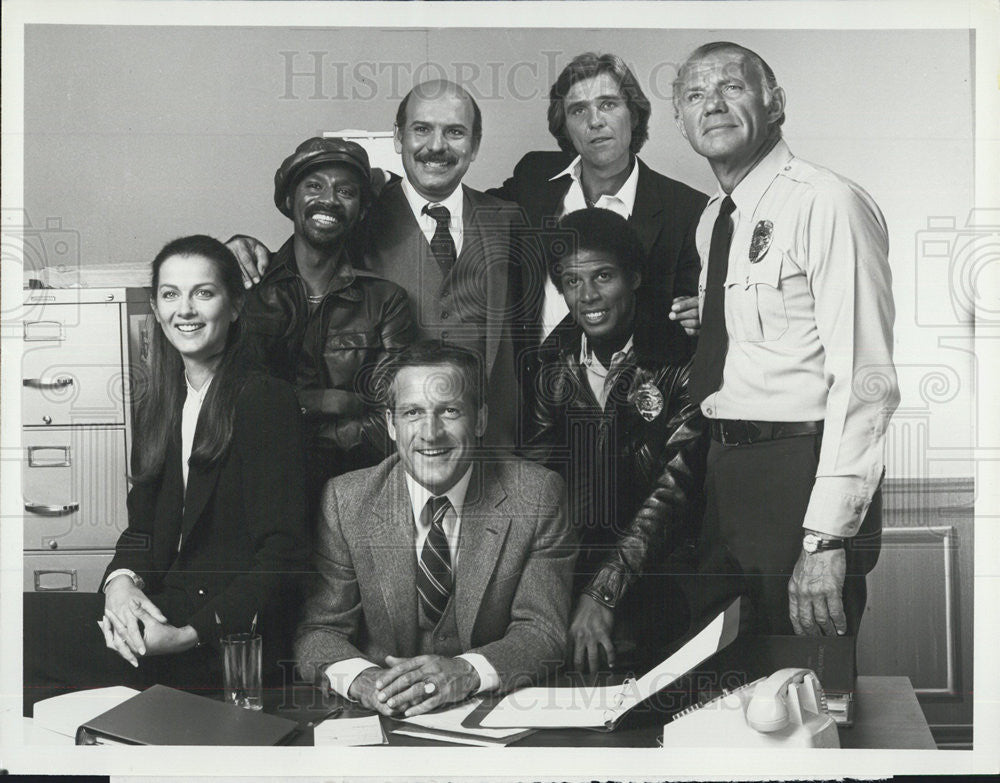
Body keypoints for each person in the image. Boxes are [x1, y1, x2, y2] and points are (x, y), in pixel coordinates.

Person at [672, 42, 899, 635]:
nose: (713, 105)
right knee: (722, 691)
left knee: (805, 697)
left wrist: (825, 536)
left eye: (732, 87)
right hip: (723, 469)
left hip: (798, 469)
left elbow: (866, 378)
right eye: (696, 94)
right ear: (681, 120)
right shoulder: (713, 220)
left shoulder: (826, 201)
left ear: (775, 104)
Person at [227, 81, 520, 445]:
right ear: (398, 137)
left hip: (494, 448)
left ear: (474, 145)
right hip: (390, 453)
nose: (437, 146)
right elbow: (306, 257)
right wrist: (241, 251)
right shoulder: (356, 214)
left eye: (455, 132)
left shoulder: (508, 219)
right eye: (422, 129)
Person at [294, 342, 575, 717]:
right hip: (382, 717)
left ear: (480, 420)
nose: (431, 432)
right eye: (413, 412)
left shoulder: (537, 494)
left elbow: (543, 632)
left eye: (450, 411)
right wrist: (366, 682)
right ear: (392, 425)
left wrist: (467, 671)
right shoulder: (346, 501)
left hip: (493, 716)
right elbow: (319, 633)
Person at [98, 235, 310, 690]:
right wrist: (120, 585)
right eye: (170, 294)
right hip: (161, 610)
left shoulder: (263, 399)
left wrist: (186, 636)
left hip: (226, 635)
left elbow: (284, 556)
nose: (185, 310)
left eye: (204, 293)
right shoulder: (157, 404)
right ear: (155, 309)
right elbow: (142, 529)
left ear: (235, 307)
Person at [524, 208, 708, 673]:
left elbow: (674, 490)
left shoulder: (681, 358)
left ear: (635, 277)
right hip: (574, 571)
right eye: (571, 281)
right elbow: (539, 484)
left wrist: (605, 590)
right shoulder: (550, 363)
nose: (587, 296)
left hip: (666, 572)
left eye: (603, 276)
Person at [487, 52, 708, 413]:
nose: (595, 122)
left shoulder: (687, 209)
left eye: (608, 104)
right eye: (578, 110)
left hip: (627, 412)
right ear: (565, 126)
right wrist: (382, 184)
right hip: (527, 401)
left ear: (633, 113)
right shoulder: (533, 178)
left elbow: (697, 316)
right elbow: (473, 209)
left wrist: (707, 313)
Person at [242, 137, 416, 498]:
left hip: (355, 492)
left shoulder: (386, 301)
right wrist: (324, 401)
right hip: (254, 488)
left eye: (346, 191)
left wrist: (295, 423)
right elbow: (225, 404)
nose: (329, 200)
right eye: (314, 186)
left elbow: (398, 418)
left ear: (362, 210)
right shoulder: (247, 290)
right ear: (290, 200)